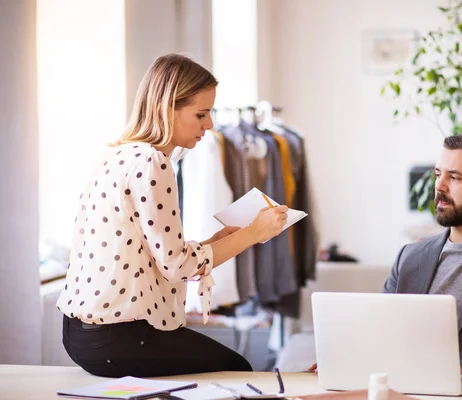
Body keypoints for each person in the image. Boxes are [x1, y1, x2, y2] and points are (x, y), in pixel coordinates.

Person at [56, 53, 289, 378]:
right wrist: (252, 234)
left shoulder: (119, 153)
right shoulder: (153, 163)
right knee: (238, 369)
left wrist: (218, 241)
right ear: (168, 109)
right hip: (117, 337)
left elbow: (157, 257)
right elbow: (176, 266)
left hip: (82, 334)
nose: (209, 124)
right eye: (201, 114)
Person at [309, 133, 462, 376]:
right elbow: (383, 331)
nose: (439, 187)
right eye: (438, 174)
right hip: (412, 388)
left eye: (455, 178)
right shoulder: (410, 256)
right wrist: (346, 356)